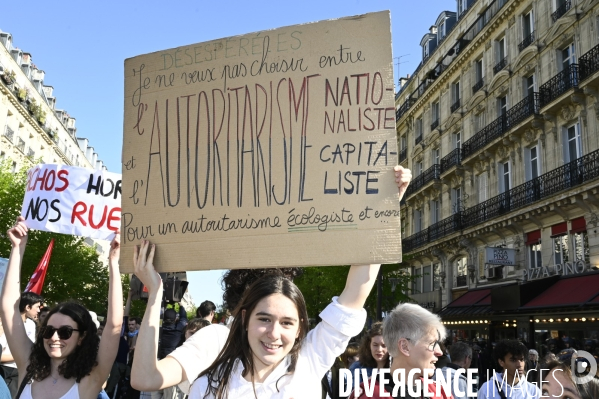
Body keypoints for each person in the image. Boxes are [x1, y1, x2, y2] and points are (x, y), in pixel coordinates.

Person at [130, 164, 412, 397]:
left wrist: (383, 210)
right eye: (264, 319)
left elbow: (356, 291)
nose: (274, 333)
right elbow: (146, 378)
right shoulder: (213, 353)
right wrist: (155, 294)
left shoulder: (309, 358)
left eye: (287, 322)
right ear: (244, 318)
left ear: (301, 327)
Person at [0, 216, 123, 399]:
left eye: (65, 332)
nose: (54, 337)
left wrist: (114, 263)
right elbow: (9, 308)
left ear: (81, 337)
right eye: (48, 331)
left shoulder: (90, 379)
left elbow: (114, 326)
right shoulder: (29, 366)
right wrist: (18, 248)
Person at [351, 303, 452, 399]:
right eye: (432, 343)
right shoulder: (369, 395)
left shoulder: (441, 392)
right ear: (404, 347)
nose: (439, 352)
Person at [1, 291, 43, 396]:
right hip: (5, 371)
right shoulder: (6, 324)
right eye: (37, 307)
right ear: (27, 307)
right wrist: (20, 355)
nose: (39, 311)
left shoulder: (31, 324)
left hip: (21, 371)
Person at [348, 322, 389, 389]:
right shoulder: (357, 367)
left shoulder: (399, 369)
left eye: (384, 345)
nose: (379, 349)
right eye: (375, 345)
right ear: (369, 345)